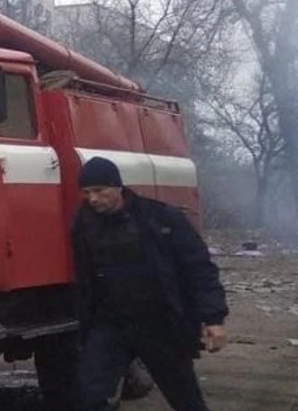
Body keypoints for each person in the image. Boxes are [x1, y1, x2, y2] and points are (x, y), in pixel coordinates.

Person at [72, 157, 229, 411]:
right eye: (87, 192)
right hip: (111, 324)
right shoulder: (84, 223)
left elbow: (199, 268)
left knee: (185, 398)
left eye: (99, 191)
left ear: (117, 187)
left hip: (159, 323)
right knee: (91, 394)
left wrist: (214, 318)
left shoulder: (160, 218)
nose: (93, 199)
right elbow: (85, 276)